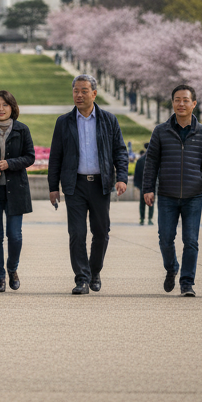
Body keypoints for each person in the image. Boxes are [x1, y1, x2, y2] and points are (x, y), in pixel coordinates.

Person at [47, 74, 129, 295]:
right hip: (75, 185)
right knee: (77, 232)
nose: (79, 95)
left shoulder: (109, 120)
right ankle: (82, 278)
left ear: (94, 93)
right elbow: (56, 157)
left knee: (101, 232)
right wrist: (53, 187)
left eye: (84, 91)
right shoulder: (63, 122)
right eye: (76, 90)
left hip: (100, 184)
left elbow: (120, 151)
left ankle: (95, 271)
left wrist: (122, 177)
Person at [143, 85, 202, 297]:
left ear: (194, 104)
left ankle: (187, 283)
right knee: (165, 238)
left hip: (193, 195)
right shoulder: (161, 131)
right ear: (172, 103)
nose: (181, 104)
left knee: (191, 241)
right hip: (167, 194)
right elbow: (151, 162)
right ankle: (172, 267)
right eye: (177, 100)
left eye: (185, 100)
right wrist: (148, 188)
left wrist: (200, 179)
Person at [0, 91, 35, 292]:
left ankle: (12, 269)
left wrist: (10, 163)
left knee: (15, 235)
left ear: (12, 107)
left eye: (5, 105)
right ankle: (0, 277)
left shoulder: (22, 130)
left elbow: (30, 157)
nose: (1, 109)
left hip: (15, 191)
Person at [135, 144, 154, 226]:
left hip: (143, 185)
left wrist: (138, 185)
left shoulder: (140, 160)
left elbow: (136, 174)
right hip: (150, 185)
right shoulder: (154, 160)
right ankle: (149, 219)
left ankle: (143, 218)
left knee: (143, 203)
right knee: (150, 202)